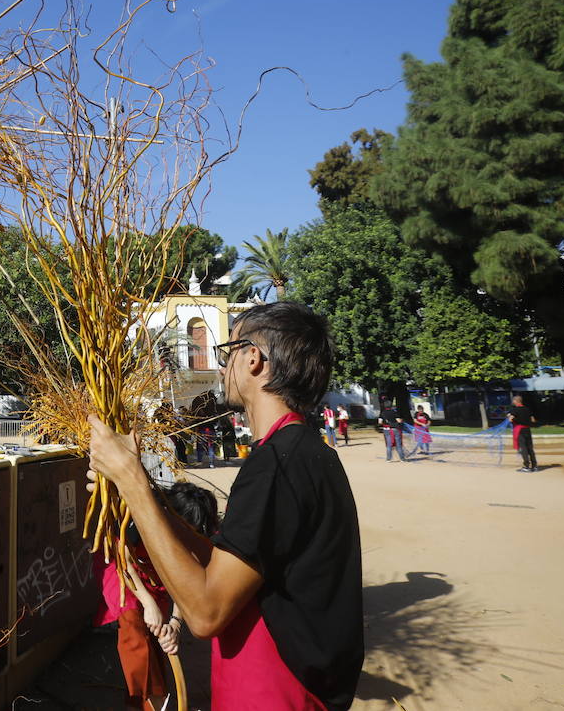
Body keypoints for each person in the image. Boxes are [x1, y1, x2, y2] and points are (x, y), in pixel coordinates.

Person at [88, 301, 363, 710]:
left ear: (253, 358)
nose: (220, 367)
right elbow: (227, 563)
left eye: (226, 353)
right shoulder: (301, 452)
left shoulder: (277, 466)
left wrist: (132, 484)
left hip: (278, 697)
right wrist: (146, 493)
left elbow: (205, 613)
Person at [95, 482, 220, 710]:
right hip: (124, 569)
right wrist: (147, 601)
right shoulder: (144, 517)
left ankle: (150, 699)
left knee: (157, 638)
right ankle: (151, 703)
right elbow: (124, 561)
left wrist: (175, 623)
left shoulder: (197, 540)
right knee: (133, 628)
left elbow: (185, 582)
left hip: (157, 577)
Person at [507, 395, 538, 472]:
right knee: (530, 448)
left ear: (516, 401)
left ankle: (526, 466)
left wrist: (510, 417)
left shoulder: (514, 410)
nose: (513, 402)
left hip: (520, 430)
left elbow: (510, 419)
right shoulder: (527, 409)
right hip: (527, 429)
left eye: (513, 401)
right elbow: (533, 420)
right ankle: (534, 466)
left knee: (523, 448)